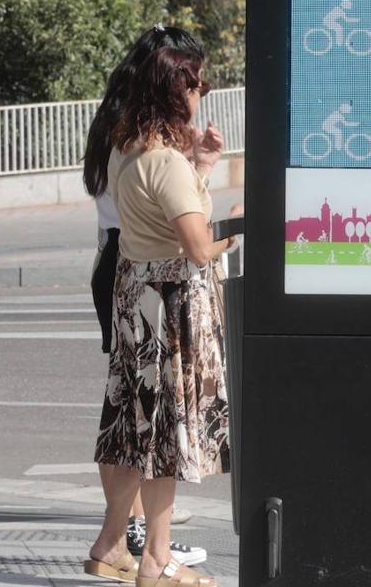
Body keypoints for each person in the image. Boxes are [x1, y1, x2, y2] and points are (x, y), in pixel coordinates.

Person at [88, 46, 232, 587]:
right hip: (171, 308)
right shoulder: (164, 162)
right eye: (199, 87)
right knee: (165, 437)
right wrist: (234, 236)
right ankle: (157, 560)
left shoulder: (128, 151)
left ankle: (109, 545)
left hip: (136, 301)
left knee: (130, 426)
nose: (202, 96)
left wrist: (202, 166)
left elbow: (153, 216)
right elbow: (195, 247)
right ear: (179, 92)